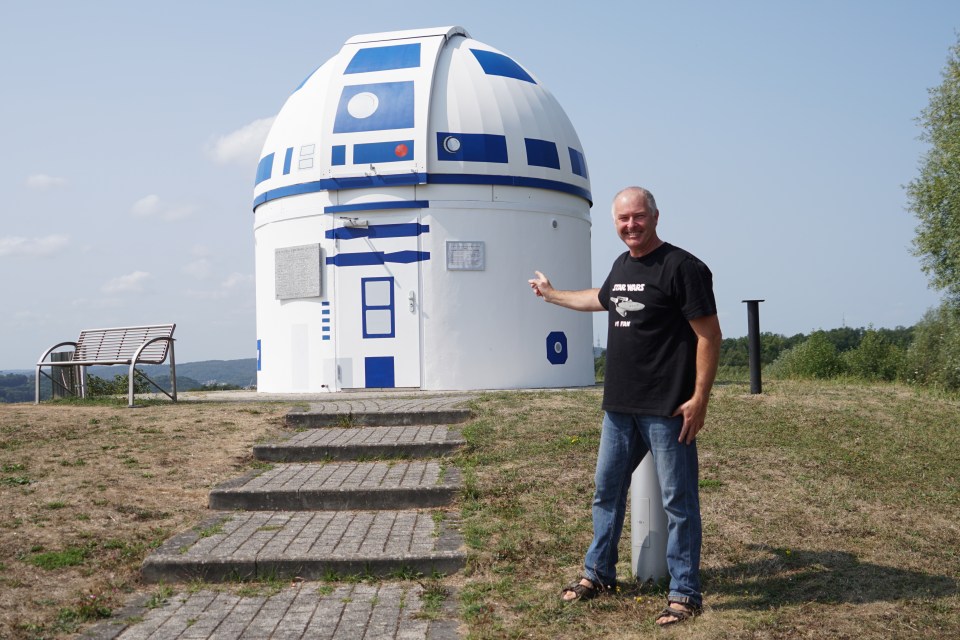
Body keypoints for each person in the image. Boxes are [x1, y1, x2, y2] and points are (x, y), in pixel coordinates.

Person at [528, 186, 721, 627]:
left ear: (655, 216)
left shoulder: (682, 267)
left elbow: (710, 335)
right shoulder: (623, 265)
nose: (630, 226)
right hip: (620, 408)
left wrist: (699, 398)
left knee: (679, 503)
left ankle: (685, 593)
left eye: (637, 217)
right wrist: (554, 294)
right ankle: (598, 575)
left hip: (668, 409)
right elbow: (601, 298)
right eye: (622, 220)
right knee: (606, 493)